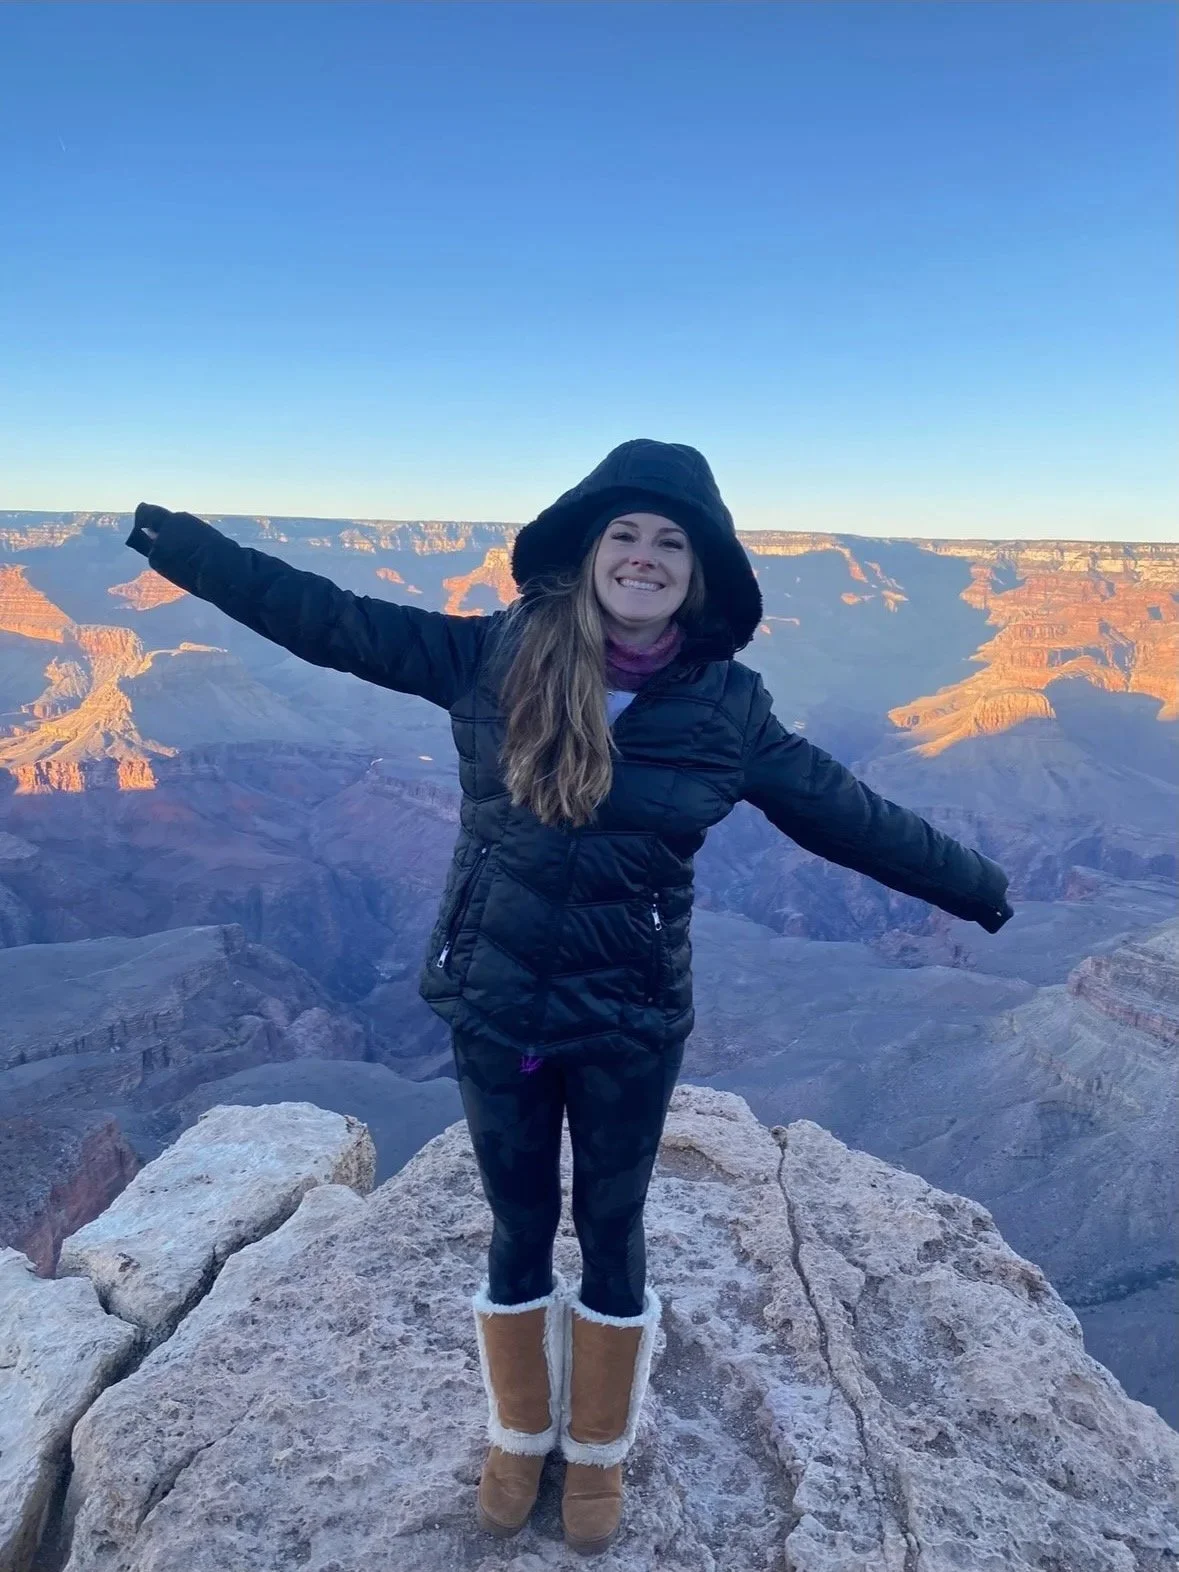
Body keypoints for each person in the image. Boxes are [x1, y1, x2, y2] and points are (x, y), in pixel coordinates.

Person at [126, 437, 1014, 1555]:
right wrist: (179, 543)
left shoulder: (726, 710)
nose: (643, 557)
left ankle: (596, 1457)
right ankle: (519, 1434)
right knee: (517, 1225)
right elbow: (327, 618)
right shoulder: (495, 657)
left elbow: (845, 812)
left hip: (628, 1018)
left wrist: (977, 887)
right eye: (624, 536)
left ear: (702, 574)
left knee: (612, 1227)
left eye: (670, 543)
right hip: (497, 1001)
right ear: (587, 555)